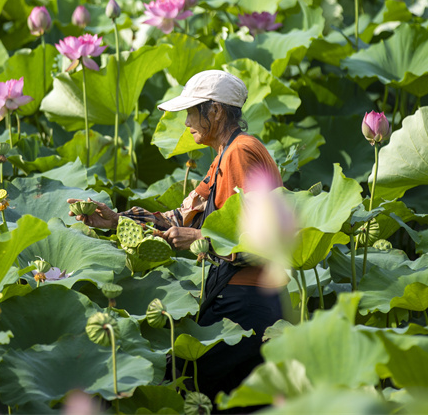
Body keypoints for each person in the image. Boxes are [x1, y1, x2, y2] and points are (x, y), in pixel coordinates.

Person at [67, 69, 286, 405]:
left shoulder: (241, 152)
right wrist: (114, 221)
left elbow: (264, 240)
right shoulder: (221, 161)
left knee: (181, 382)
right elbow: (177, 218)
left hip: (248, 304)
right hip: (233, 299)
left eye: (190, 111)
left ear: (214, 110)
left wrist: (200, 237)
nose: (186, 123)